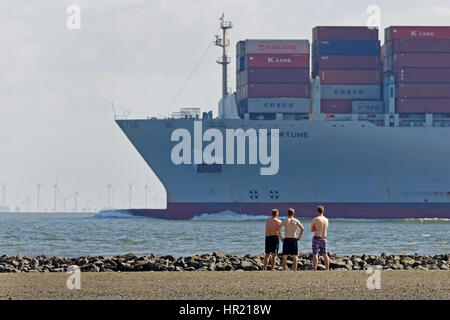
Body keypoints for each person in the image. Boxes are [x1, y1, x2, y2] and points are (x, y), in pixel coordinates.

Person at [311, 205, 329, 271]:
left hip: (317, 238)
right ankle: (327, 268)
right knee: (325, 254)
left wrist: (315, 228)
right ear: (323, 211)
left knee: (315, 254)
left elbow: (312, 229)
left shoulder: (316, 219)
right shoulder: (326, 220)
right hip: (324, 238)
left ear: (317, 211)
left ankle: (315, 269)